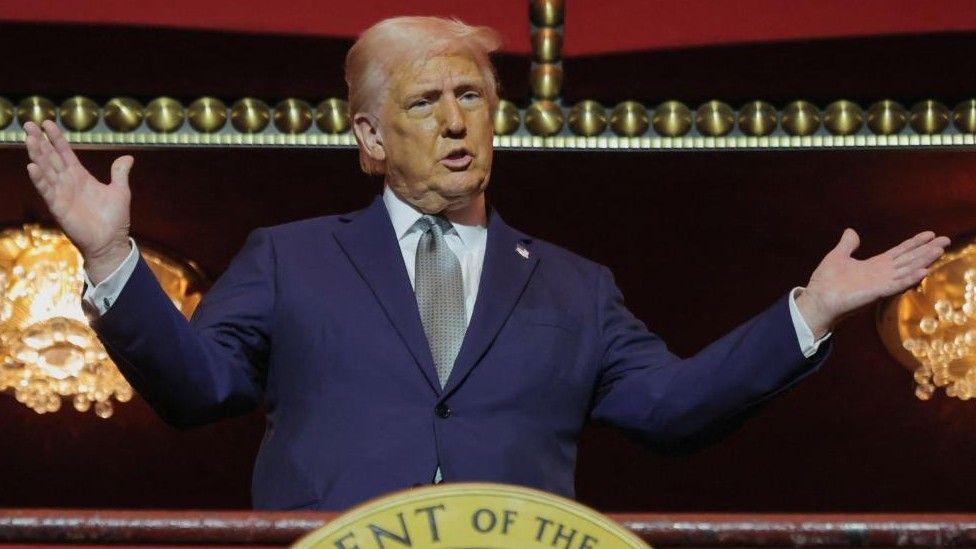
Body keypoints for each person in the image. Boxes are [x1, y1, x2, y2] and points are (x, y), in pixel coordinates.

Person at [23, 16, 949, 511]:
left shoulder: (574, 287)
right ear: (370, 138)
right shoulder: (290, 258)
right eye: (426, 102)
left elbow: (673, 411)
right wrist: (110, 252)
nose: (458, 121)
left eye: (473, 95)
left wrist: (812, 312)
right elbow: (197, 391)